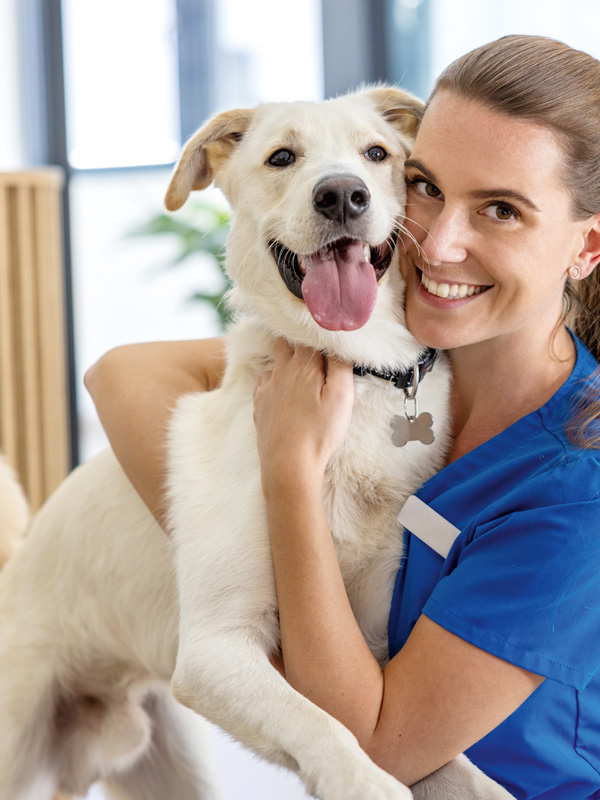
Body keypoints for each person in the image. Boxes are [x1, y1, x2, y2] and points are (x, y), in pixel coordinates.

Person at [85, 35, 600, 798]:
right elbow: (122, 373)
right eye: (425, 185)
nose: (442, 242)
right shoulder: (392, 362)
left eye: (501, 210)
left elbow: (380, 751)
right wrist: (229, 547)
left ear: (586, 247)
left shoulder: (573, 491)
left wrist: (288, 478)